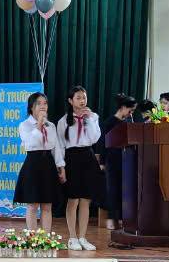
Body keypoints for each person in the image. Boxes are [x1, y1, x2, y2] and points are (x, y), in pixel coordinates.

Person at [58, 86, 103, 251]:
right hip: (72, 158)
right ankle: (72, 237)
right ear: (71, 101)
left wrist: (89, 119)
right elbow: (60, 145)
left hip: (88, 157)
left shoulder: (93, 117)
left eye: (84, 97)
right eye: (78, 98)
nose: (82, 101)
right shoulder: (63, 121)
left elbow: (95, 138)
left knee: (86, 199)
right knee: (73, 199)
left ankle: (83, 237)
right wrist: (61, 166)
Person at [14, 92, 65, 233]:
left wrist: (61, 167)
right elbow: (29, 143)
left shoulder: (51, 125)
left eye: (45, 103)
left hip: (48, 164)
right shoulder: (24, 125)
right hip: (33, 164)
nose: (43, 106)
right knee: (32, 205)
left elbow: (56, 147)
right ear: (31, 107)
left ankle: (45, 239)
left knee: (47, 205)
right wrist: (39, 125)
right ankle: (32, 239)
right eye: (39, 103)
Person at [98, 93, 137, 231]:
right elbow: (103, 143)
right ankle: (111, 218)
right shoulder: (109, 122)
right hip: (111, 159)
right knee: (112, 189)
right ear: (123, 107)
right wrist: (102, 161)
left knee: (123, 190)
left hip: (125, 160)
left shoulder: (128, 123)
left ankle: (121, 218)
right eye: (130, 110)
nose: (131, 114)